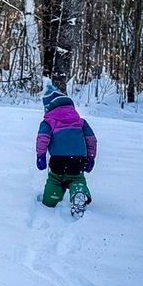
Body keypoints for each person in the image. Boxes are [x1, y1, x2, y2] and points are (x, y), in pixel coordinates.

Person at [35, 82, 97, 215]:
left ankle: (50, 200)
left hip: (58, 160)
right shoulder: (80, 122)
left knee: (55, 179)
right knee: (77, 179)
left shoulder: (48, 122)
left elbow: (42, 138)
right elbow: (91, 139)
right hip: (77, 160)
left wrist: (40, 156)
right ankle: (79, 193)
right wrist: (91, 158)